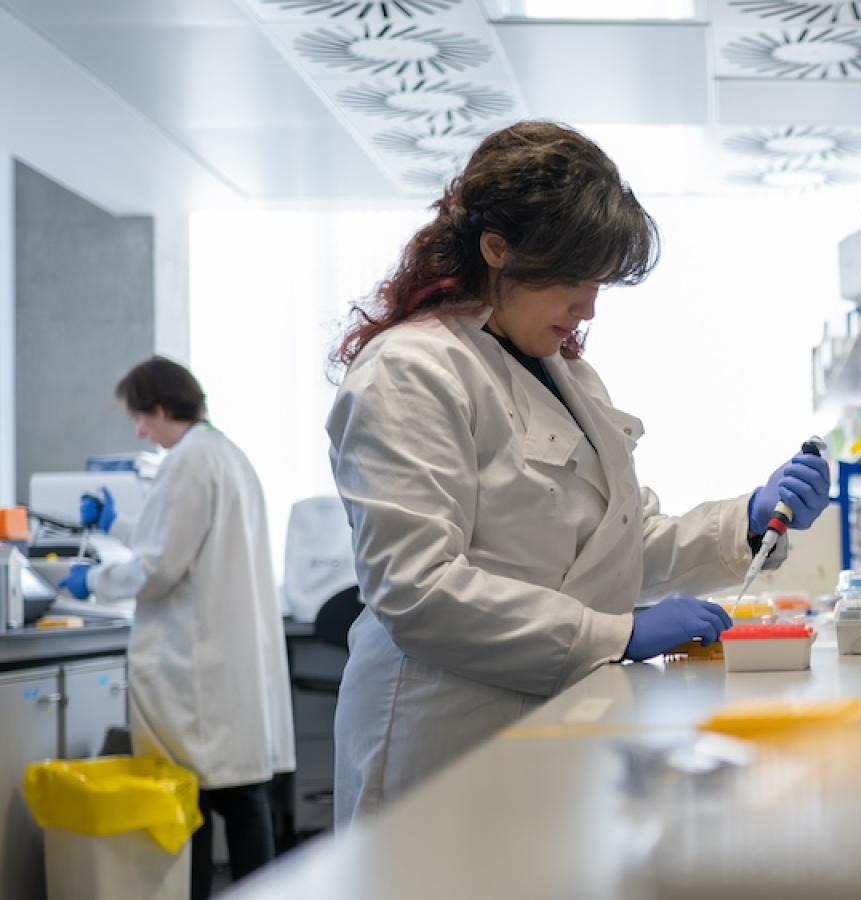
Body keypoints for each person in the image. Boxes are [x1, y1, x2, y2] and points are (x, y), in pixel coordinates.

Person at [325, 121, 831, 826]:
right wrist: (616, 636)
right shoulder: (411, 371)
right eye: (572, 279)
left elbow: (618, 541)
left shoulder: (565, 373)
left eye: (597, 282)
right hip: (442, 737)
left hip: (557, 724)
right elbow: (418, 590)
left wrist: (746, 519)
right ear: (496, 248)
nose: (588, 307)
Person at [62, 357, 295, 899]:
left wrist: (91, 579)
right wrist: (112, 523)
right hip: (227, 667)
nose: (140, 431)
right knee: (242, 799)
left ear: (162, 408)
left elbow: (160, 566)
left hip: (198, 670)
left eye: (140, 419)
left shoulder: (187, 461)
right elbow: (172, 536)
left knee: (193, 810)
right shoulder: (225, 454)